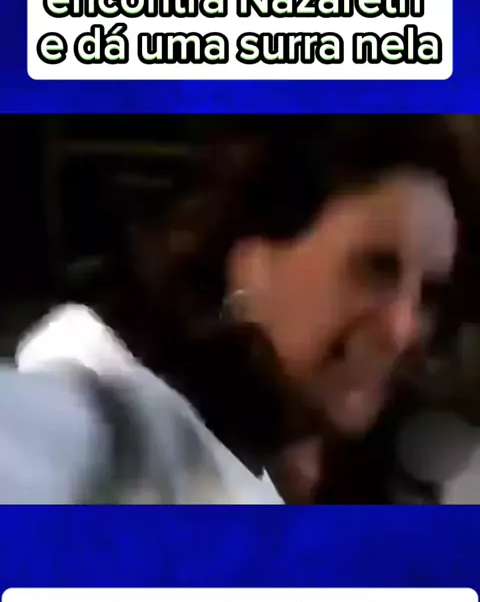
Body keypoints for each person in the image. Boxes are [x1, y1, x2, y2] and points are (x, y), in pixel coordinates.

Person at [2, 115, 473, 503]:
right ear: (249, 262)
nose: (404, 329)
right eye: (375, 270)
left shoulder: (396, 475)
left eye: (429, 295)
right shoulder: (118, 422)